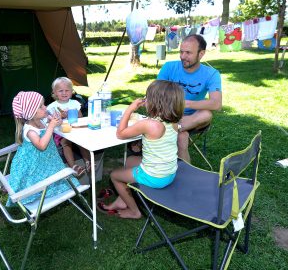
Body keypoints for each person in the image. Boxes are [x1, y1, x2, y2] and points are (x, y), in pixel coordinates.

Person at [98, 80, 185, 219]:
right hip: (169, 172)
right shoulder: (174, 122)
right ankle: (123, 199)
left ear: (156, 102)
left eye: (148, 97)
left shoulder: (149, 124)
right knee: (131, 160)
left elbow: (120, 134)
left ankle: (134, 211)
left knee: (115, 175)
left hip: (155, 176)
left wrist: (130, 108)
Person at [7, 91, 80, 206]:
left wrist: (57, 120)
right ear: (31, 113)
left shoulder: (41, 120)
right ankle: (35, 195)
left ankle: (50, 191)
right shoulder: (30, 129)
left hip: (45, 160)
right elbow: (41, 146)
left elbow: (56, 123)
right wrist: (51, 126)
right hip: (33, 164)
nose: (45, 107)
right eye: (41, 106)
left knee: (53, 176)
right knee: (36, 182)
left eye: (44, 104)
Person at [157, 34, 222, 162]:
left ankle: (171, 128)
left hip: (192, 119)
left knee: (206, 114)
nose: (183, 56)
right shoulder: (169, 67)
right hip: (168, 113)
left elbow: (216, 104)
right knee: (182, 137)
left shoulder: (211, 74)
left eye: (188, 53)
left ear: (201, 54)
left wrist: (186, 104)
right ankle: (177, 128)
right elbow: (157, 94)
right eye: (181, 52)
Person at [47, 77, 91, 176]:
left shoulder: (75, 103)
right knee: (65, 143)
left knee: (81, 141)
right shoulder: (52, 107)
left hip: (75, 130)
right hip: (62, 132)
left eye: (67, 90)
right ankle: (74, 166)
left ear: (72, 91)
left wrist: (73, 114)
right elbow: (52, 123)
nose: (64, 93)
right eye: (60, 91)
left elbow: (80, 118)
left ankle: (88, 162)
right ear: (54, 92)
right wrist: (61, 116)